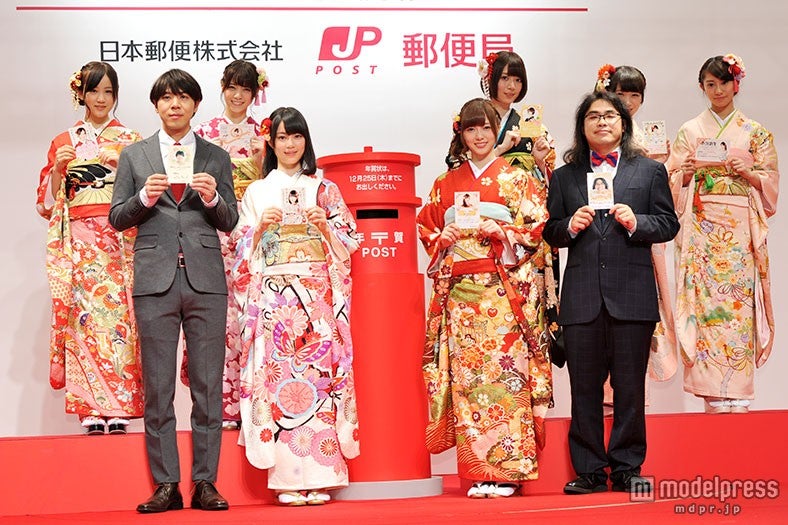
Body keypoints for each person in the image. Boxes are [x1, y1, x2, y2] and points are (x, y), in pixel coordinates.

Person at [109, 69, 238, 513]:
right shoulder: (134, 155)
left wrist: (213, 198)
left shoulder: (216, 156)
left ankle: (205, 483)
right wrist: (144, 198)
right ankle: (166, 484)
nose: (175, 104)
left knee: (208, 386)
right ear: (156, 105)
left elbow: (230, 220)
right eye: (166, 98)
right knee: (158, 387)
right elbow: (117, 217)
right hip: (154, 280)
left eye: (183, 97)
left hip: (206, 281)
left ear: (196, 105)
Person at [543, 90, 679, 495]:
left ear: (623, 123)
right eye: (593, 116)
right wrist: (570, 226)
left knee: (630, 389)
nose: (602, 122)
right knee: (584, 390)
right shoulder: (564, 176)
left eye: (609, 115)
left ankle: (627, 468)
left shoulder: (649, 171)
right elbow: (550, 230)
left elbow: (668, 224)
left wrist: (636, 222)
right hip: (582, 299)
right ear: (582, 126)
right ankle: (588, 471)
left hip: (632, 297)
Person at [417, 98, 552, 499]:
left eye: (486, 128)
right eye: (471, 129)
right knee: (469, 383)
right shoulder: (445, 183)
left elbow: (536, 226)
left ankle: (508, 471)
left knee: (506, 376)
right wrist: (442, 238)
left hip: (502, 295)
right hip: (461, 299)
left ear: (497, 131)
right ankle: (478, 472)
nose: (479, 136)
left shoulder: (517, 178)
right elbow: (426, 228)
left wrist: (503, 232)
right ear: (461, 134)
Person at [235, 107, 360, 506]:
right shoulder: (257, 192)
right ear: (271, 143)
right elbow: (239, 250)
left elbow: (350, 241)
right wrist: (259, 229)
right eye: (282, 137)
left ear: (306, 141)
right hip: (275, 301)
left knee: (321, 381)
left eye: (297, 136)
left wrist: (326, 226)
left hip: (317, 298)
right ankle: (287, 479)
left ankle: (324, 474)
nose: (290, 145)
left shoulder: (325, 188)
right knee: (280, 383)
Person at [666, 54, 778, 414]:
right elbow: (671, 182)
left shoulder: (755, 132)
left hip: (740, 234)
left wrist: (750, 173)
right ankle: (712, 396)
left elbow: (771, 186)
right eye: (710, 84)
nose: (718, 90)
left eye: (724, 83)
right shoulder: (689, 131)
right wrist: (684, 173)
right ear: (701, 88)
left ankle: (739, 393)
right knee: (705, 307)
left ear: (736, 84)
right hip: (701, 231)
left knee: (738, 307)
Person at [36, 61, 143, 435]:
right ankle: (89, 407)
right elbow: (50, 202)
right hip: (81, 242)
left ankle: (119, 406)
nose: (101, 99)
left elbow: (146, 195)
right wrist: (58, 171)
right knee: (83, 319)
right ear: (80, 93)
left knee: (119, 320)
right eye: (94, 90)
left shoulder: (130, 139)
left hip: (119, 241)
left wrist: (125, 166)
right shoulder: (64, 141)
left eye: (108, 92)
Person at [181, 59, 269, 431]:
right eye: (232, 87)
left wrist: (262, 163)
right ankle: (220, 406)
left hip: (252, 230)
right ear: (222, 88)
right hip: (212, 229)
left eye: (245, 89)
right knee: (216, 317)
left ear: (254, 93)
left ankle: (253, 404)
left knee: (251, 315)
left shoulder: (265, 135)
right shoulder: (203, 133)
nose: (237, 96)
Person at [600, 64, 679, 414]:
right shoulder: (598, 137)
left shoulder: (649, 139)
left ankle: (634, 398)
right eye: (621, 94)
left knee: (638, 312)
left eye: (635, 95)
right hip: (604, 235)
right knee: (602, 313)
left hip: (640, 235)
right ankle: (605, 396)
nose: (628, 102)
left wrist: (666, 166)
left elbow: (664, 203)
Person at [476, 50, 562, 365]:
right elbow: (460, 169)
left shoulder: (529, 121)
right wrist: (499, 149)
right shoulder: (476, 118)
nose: (511, 86)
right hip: (489, 218)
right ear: (491, 79)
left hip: (525, 220)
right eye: (504, 78)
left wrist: (540, 159)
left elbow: (548, 173)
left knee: (529, 289)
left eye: (517, 80)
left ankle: (530, 365)